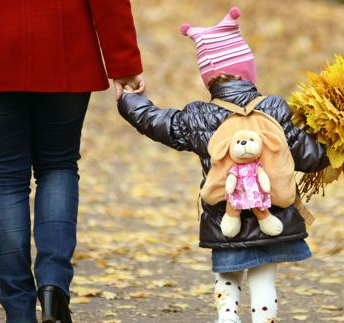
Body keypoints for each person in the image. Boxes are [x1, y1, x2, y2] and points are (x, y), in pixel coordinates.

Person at [117, 8, 328, 323]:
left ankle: (227, 318)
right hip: (274, 215)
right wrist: (333, 141)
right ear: (248, 71)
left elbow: (158, 122)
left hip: (223, 219)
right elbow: (309, 157)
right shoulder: (277, 108)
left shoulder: (199, 115)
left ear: (208, 80)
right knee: (263, 281)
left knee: (227, 278)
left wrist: (130, 101)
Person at [0, 1, 144, 322]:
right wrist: (123, 62)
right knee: (59, 165)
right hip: (64, 42)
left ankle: (19, 310)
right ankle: (53, 287)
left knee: (4, 178)